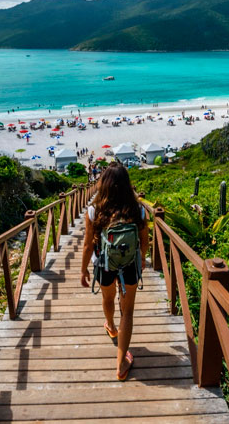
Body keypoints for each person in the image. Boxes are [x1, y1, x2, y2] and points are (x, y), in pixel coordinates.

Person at [80, 163, 149, 381]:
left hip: (104, 264)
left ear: (104, 184)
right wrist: (142, 261)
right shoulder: (138, 210)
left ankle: (110, 325)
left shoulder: (94, 211)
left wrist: (83, 270)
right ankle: (121, 364)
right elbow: (145, 241)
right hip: (130, 264)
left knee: (107, 297)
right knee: (127, 312)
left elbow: (87, 245)